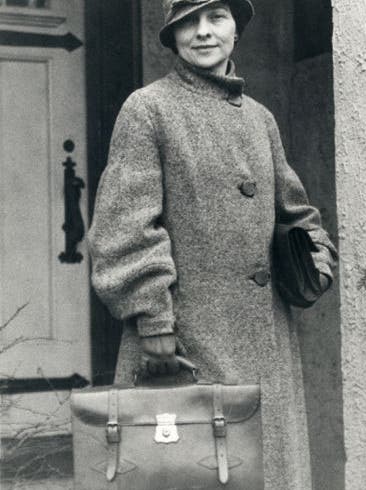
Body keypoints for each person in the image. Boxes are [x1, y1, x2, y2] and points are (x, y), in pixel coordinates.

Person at [88, 0, 337, 488]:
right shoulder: (148, 109)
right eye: (188, 22)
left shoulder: (260, 119)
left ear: (236, 30)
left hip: (266, 339)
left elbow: (297, 211)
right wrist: (154, 319)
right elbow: (125, 226)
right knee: (195, 471)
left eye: (215, 17)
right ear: (172, 35)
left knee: (268, 470)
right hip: (182, 340)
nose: (202, 32)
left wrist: (318, 259)